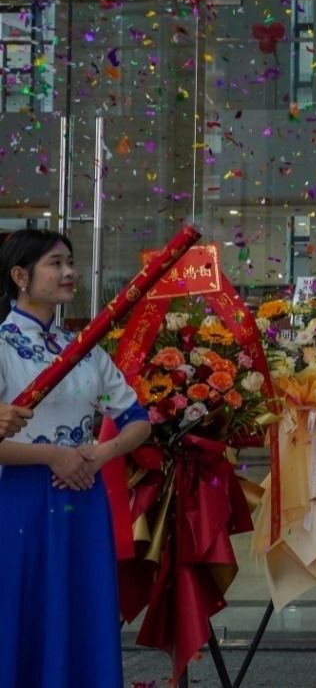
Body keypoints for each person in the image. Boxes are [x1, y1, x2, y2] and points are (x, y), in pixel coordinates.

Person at [0, 229, 152, 688]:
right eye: (55, 263)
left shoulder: (85, 350)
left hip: (83, 498)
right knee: (22, 609)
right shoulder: (2, 347)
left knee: (82, 609)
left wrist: (99, 454)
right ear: (20, 276)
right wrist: (53, 456)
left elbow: (137, 420)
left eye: (70, 262)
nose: (69, 272)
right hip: (19, 503)